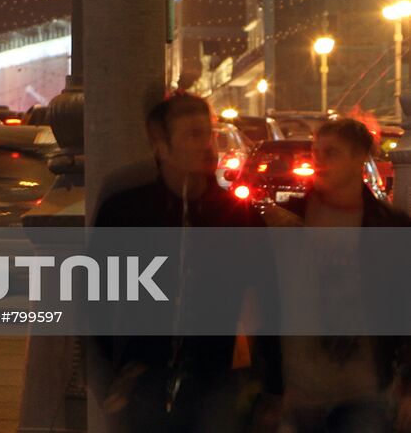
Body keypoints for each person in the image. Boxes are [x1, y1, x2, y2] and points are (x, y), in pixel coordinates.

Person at [92, 92, 276, 433]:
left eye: (209, 133)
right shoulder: (127, 213)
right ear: (161, 146)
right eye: (193, 135)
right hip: (144, 378)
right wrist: (108, 377)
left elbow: (268, 295)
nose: (207, 145)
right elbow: (96, 299)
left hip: (218, 381)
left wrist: (272, 386)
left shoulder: (236, 216)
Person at [262, 117, 411, 433]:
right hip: (300, 390)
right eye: (316, 152)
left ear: (359, 158)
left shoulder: (388, 228)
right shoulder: (290, 220)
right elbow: (268, 301)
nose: (319, 161)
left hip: (363, 388)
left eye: (332, 152)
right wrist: (271, 387)